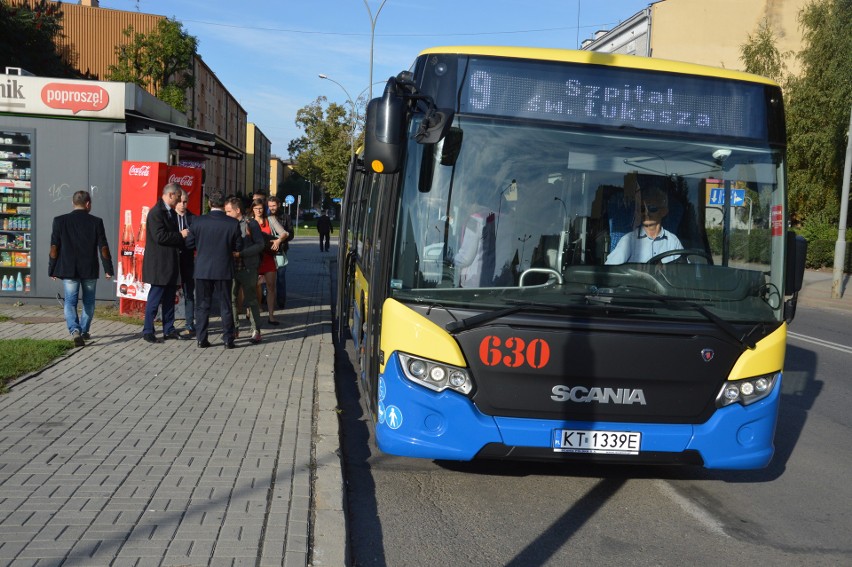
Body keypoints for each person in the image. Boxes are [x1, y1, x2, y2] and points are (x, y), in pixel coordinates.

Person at [48, 190, 114, 347]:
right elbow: (103, 247)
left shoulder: (59, 221)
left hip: (68, 269)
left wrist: (52, 269)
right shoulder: (96, 222)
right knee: (89, 301)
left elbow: (54, 247)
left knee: (70, 302)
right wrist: (108, 269)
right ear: (88, 204)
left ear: (73, 203)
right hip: (89, 269)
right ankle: (84, 330)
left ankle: (74, 330)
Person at [185, 191, 243, 349]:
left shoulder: (198, 222)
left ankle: (201, 339)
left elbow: (189, 244)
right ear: (224, 205)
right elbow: (238, 246)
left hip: (203, 269)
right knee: (226, 305)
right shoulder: (232, 223)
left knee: (202, 305)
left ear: (209, 204)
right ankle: (228, 340)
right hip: (224, 269)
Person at [142, 182, 189, 344]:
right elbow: (159, 237)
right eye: (177, 197)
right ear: (170, 195)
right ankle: (148, 330)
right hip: (159, 265)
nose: (179, 200)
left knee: (170, 299)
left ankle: (169, 329)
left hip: (170, 264)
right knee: (155, 299)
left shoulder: (171, 213)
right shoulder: (156, 213)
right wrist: (180, 235)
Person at [605, 188, 683, 264]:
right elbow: (611, 269)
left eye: (652, 208)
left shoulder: (673, 241)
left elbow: (685, 271)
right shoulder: (629, 240)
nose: (646, 213)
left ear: (664, 212)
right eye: (642, 209)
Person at [224, 196, 264, 344]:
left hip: (248, 267)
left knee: (251, 299)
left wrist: (242, 253)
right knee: (232, 299)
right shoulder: (227, 224)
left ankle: (256, 330)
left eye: (228, 211)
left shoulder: (251, 224)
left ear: (237, 210)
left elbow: (260, 245)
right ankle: (234, 329)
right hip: (231, 267)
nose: (226, 214)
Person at [250, 198, 287, 325]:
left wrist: (277, 241)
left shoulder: (270, 220)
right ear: (252, 209)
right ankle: (252, 312)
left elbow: (284, 233)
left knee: (271, 287)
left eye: (260, 208)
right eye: (256, 208)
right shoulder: (249, 222)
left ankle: (271, 316)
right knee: (253, 287)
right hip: (254, 259)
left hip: (268, 258)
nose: (258, 211)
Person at [175, 189, 196, 337]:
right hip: (172, 260)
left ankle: (189, 323)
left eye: (185, 202)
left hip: (188, 259)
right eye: (180, 202)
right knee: (170, 292)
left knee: (189, 293)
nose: (183, 205)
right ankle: (168, 324)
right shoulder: (169, 218)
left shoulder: (193, 219)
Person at [267, 195, 294, 309]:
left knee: (281, 277)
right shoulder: (265, 217)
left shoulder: (285, 217)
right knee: (266, 277)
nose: (272, 208)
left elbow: (291, 234)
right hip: (268, 252)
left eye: (273, 206)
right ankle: (266, 299)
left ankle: (281, 300)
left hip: (281, 251)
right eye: (269, 206)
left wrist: (280, 240)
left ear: (278, 205)